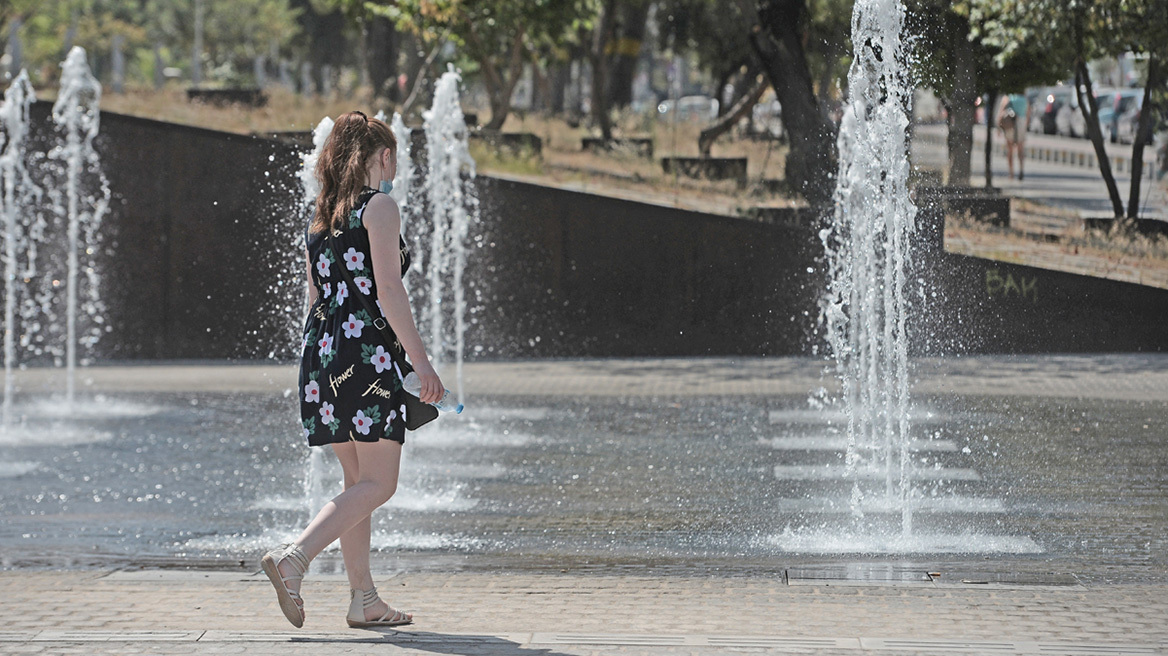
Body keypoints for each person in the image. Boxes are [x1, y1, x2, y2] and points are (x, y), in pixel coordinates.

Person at [260, 111, 446, 629]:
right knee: (380, 484)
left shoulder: (321, 217)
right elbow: (389, 290)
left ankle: (364, 598)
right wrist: (422, 364)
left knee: (356, 482)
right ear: (383, 156)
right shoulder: (379, 207)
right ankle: (295, 558)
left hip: (323, 355)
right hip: (366, 357)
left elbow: (315, 298)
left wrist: (323, 364)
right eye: (395, 158)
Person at [997, 93, 1030, 181]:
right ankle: (1021, 169)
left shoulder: (1008, 97)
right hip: (1021, 123)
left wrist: (998, 127)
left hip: (1010, 123)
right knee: (1020, 148)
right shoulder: (1024, 98)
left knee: (1010, 149)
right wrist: (1025, 125)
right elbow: (1028, 113)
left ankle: (1011, 172)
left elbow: (1001, 111)